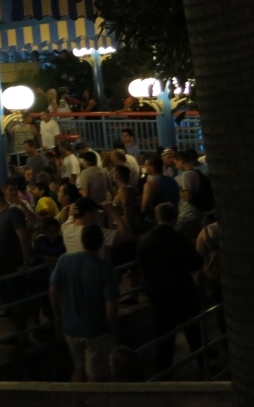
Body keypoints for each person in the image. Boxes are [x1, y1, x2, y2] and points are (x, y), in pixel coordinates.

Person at [137, 202, 204, 375]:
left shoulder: (144, 240)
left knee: (163, 334)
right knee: (193, 331)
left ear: (157, 218)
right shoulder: (179, 240)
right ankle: (204, 365)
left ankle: (164, 369)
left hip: (158, 295)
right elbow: (196, 262)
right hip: (182, 292)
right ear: (174, 218)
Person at [50, 224, 120, 382]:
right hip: (96, 330)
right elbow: (111, 306)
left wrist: (58, 317)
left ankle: (76, 403)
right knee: (96, 374)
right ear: (101, 242)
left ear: (82, 240)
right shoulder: (104, 268)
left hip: (70, 327)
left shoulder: (64, 260)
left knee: (79, 366)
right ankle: (93, 405)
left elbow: (53, 291)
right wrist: (113, 329)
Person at [0, 184, 32, 346]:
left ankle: (23, 336)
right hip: (1, 264)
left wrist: (25, 261)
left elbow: (23, 238)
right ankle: (18, 333)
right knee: (9, 301)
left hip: (14, 264)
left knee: (17, 302)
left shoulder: (14, 212)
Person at [62, 197, 132, 256]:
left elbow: (72, 216)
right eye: (96, 213)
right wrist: (112, 211)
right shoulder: (93, 233)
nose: (97, 217)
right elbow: (126, 234)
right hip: (95, 270)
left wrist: (72, 210)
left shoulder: (65, 227)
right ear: (89, 214)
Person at [142, 154, 180, 222]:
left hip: (155, 221)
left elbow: (145, 207)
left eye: (146, 165)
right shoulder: (172, 180)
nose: (144, 167)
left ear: (152, 168)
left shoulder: (150, 184)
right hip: (172, 218)